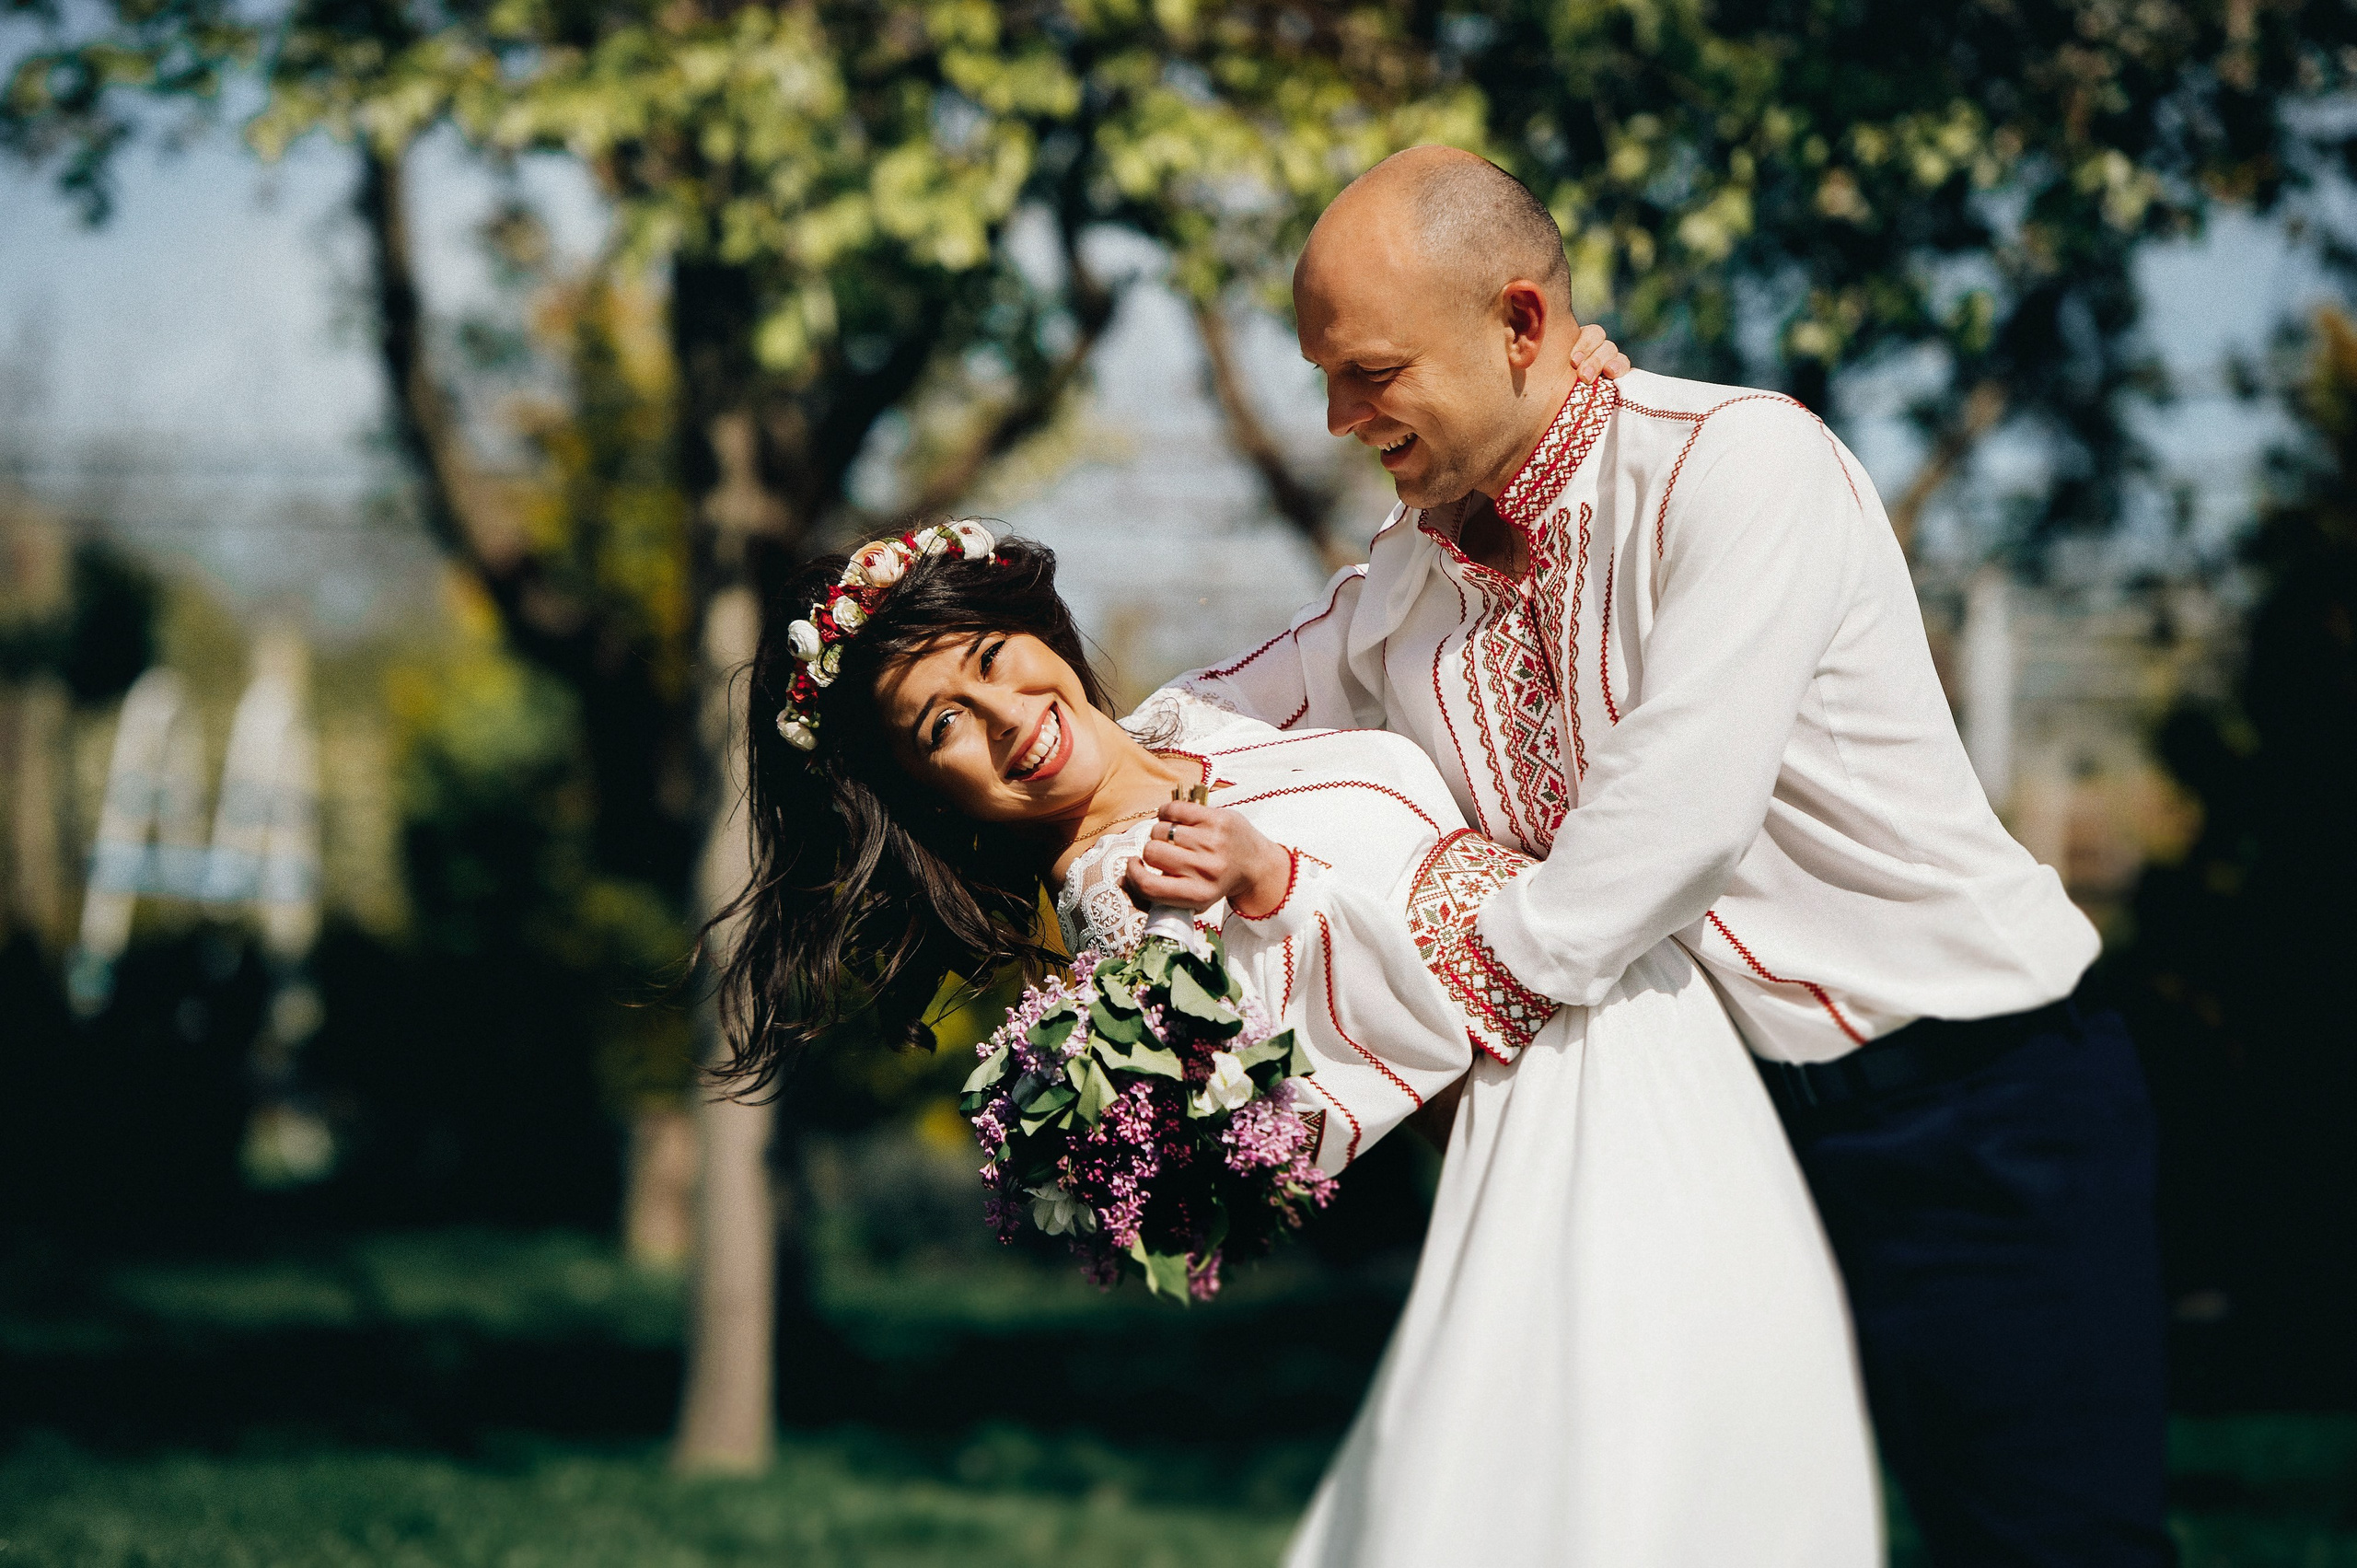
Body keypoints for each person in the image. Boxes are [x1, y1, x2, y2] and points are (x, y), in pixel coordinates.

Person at [1181, 145, 2171, 1566]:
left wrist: (1425, 975)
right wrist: (1000, 706)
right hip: (1708, 1136)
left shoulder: (1740, 462)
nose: (1340, 417)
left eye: (1372, 371)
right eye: (1325, 374)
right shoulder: (1405, 587)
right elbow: (1204, 719)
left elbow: (1666, 827)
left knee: (2051, 1549)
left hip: (1974, 1106)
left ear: (1519, 320)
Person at [717, 522, 1879, 1565]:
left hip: (1650, 1030)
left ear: (1030, 620)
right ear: (927, 794)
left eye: (987, 658)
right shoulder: (1129, 897)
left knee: (1746, 1449)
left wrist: (1545, 413)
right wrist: (1273, 887)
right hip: (1561, 1116)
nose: (1008, 718)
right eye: (943, 728)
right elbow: (1329, 1089)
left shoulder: (1193, 722)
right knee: (1665, 1488)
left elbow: (1383, 599)